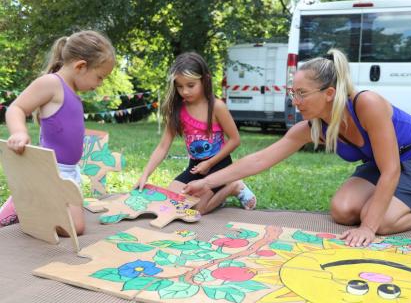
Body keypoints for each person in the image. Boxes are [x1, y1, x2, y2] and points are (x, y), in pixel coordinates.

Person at [183, 48, 411, 246]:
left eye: (302, 93)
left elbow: (390, 172)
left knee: (380, 222)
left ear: (329, 94)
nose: (296, 100)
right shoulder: (314, 126)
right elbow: (260, 160)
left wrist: (368, 226)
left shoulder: (367, 104)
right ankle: (398, 206)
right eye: (294, 93)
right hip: (384, 165)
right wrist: (207, 181)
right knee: (341, 210)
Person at [0, 30, 116, 234]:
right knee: (75, 227)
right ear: (80, 66)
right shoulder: (52, 84)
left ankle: (31, 201)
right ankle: (24, 203)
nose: (99, 84)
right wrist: (18, 132)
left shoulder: (73, 93)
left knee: (76, 226)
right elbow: (16, 108)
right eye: (99, 77)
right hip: (52, 170)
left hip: (70, 172)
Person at [135, 52, 256, 214]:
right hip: (195, 167)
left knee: (199, 208)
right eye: (179, 86)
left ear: (205, 80)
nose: (184, 91)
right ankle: (214, 197)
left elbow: (235, 140)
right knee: (173, 200)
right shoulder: (177, 111)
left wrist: (209, 163)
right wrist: (145, 175)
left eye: (190, 85)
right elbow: (163, 147)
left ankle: (234, 186)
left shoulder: (217, 107)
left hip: (219, 165)